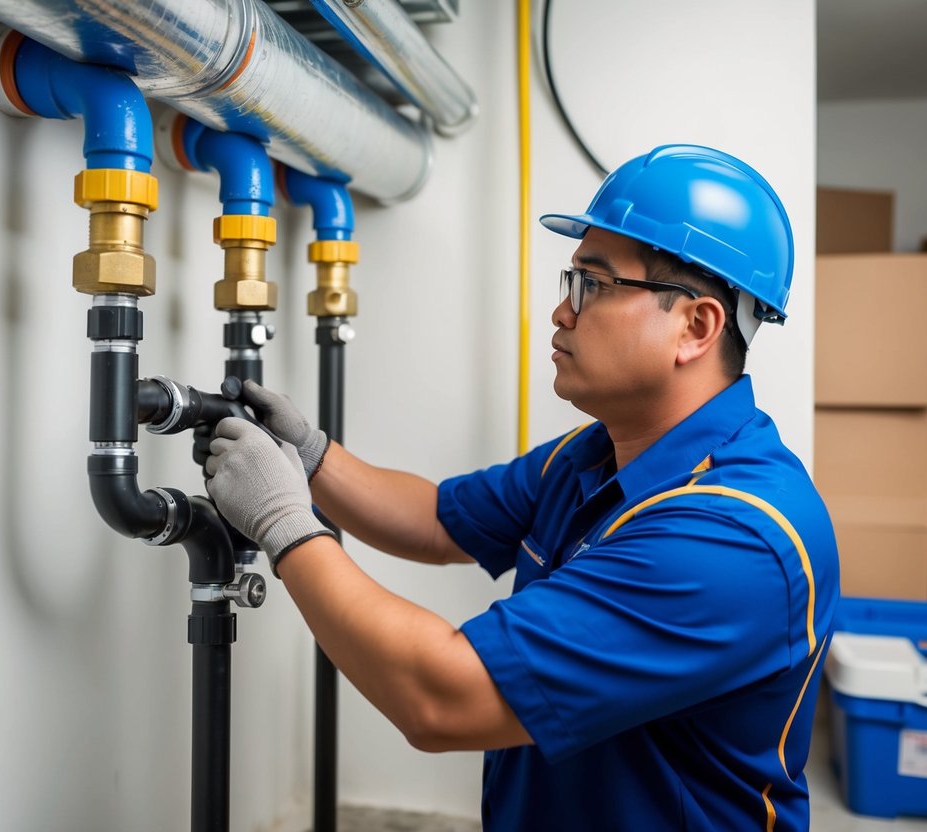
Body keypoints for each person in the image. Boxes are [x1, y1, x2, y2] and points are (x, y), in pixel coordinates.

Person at [203, 144, 840, 831]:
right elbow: (437, 520)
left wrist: (284, 523)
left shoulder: (731, 541)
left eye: (592, 285)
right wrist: (311, 455)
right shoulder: (595, 452)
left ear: (695, 325)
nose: (561, 314)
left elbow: (440, 697)